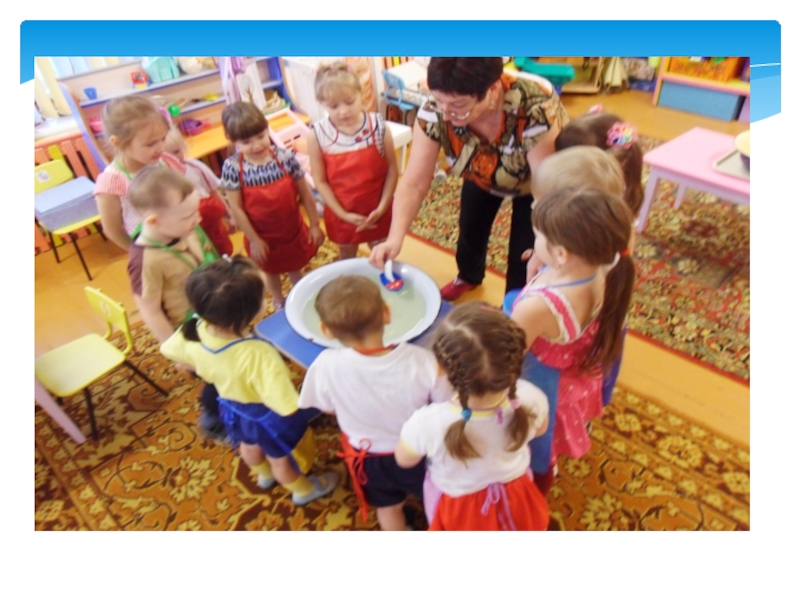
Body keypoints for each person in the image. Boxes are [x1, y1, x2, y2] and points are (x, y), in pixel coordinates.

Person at [369, 57, 568, 301]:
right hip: (479, 172)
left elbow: (546, 189)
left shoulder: (535, 108)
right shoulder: (436, 111)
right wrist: (394, 239)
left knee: (525, 251)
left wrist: (543, 246)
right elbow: (414, 183)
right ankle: (469, 276)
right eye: (439, 100)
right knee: (471, 229)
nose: (446, 114)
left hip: (534, 185)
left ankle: (515, 303)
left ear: (492, 90)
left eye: (458, 105)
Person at [160, 256, 339, 505]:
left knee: (248, 446)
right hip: (267, 418)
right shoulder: (260, 354)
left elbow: (172, 353)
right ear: (250, 311)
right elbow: (287, 406)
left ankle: (264, 475)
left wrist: (200, 366)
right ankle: (303, 490)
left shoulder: (192, 329)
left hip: (233, 408)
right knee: (281, 459)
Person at [510, 186, 635, 496]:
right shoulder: (604, 268)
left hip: (543, 386)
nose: (534, 241)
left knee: (538, 450)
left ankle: (535, 485)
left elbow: (508, 355)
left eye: (537, 235)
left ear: (562, 254)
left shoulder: (538, 307)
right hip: (574, 375)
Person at [297, 275, 448, 530]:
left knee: (387, 508)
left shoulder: (325, 365)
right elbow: (445, 407)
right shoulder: (424, 361)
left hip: (368, 459)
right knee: (434, 499)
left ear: (325, 330)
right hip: (418, 453)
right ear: (387, 314)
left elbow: (325, 407)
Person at [395, 301, 550, 531]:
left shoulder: (426, 423)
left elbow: (404, 460)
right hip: (517, 493)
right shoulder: (532, 397)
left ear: (440, 368)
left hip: (457, 506)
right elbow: (541, 430)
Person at [126, 166, 226, 440]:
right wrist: (177, 351)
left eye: (195, 210)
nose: (198, 218)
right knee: (216, 377)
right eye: (188, 216)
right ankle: (212, 419)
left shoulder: (180, 228)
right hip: (191, 333)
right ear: (154, 221)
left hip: (214, 315)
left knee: (230, 364)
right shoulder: (146, 261)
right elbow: (150, 310)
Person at [219, 101, 325, 310]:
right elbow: (237, 209)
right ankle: (278, 301)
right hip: (261, 236)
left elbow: (305, 193)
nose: (257, 145)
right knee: (270, 270)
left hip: (292, 230)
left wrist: (314, 224)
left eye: (261, 136)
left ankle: (300, 296)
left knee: (295, 266)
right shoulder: (232, 168)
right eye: (247, 141)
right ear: (233, 140)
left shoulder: (285, 158)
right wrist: (254, 240)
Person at [306, 61, 399, 261]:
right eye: (334, 106)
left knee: (382, 254)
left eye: (349, 102)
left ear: (361, 94)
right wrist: (343, 214)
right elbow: (320, 181)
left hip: (379, 209)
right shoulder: (317, 135)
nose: (343, 111)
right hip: (341, 214)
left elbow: (392, 169)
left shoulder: (379, 126)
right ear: (322, 103)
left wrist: (382, 207)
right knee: (347, 255)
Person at [94, 96, 186, 251]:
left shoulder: (165, 161)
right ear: (117, 142)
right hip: (152, 249)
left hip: (184, 236)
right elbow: (112, 230)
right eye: (151, 144)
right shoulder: (112, 182)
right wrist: (140, 254)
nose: (161, 147)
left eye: (163, 138)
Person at [164, 127, 234, 257]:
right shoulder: (162, 180)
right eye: (167, 156)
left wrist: (229, 216)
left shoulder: (195, 167)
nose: (174, 159)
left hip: (213, 224)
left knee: (223, 250)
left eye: (176, 152)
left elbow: (214, 191)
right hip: (188, 232)